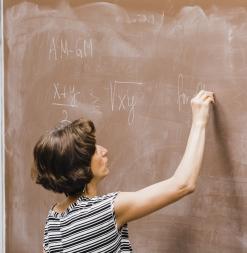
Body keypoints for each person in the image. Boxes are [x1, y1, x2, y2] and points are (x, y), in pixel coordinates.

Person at [32, 90, 215, 253]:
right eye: (93, 149)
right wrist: (199, 122)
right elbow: (183, 184)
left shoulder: (54, 218)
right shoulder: (104, 210)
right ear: (79, 166)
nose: (103, 150)